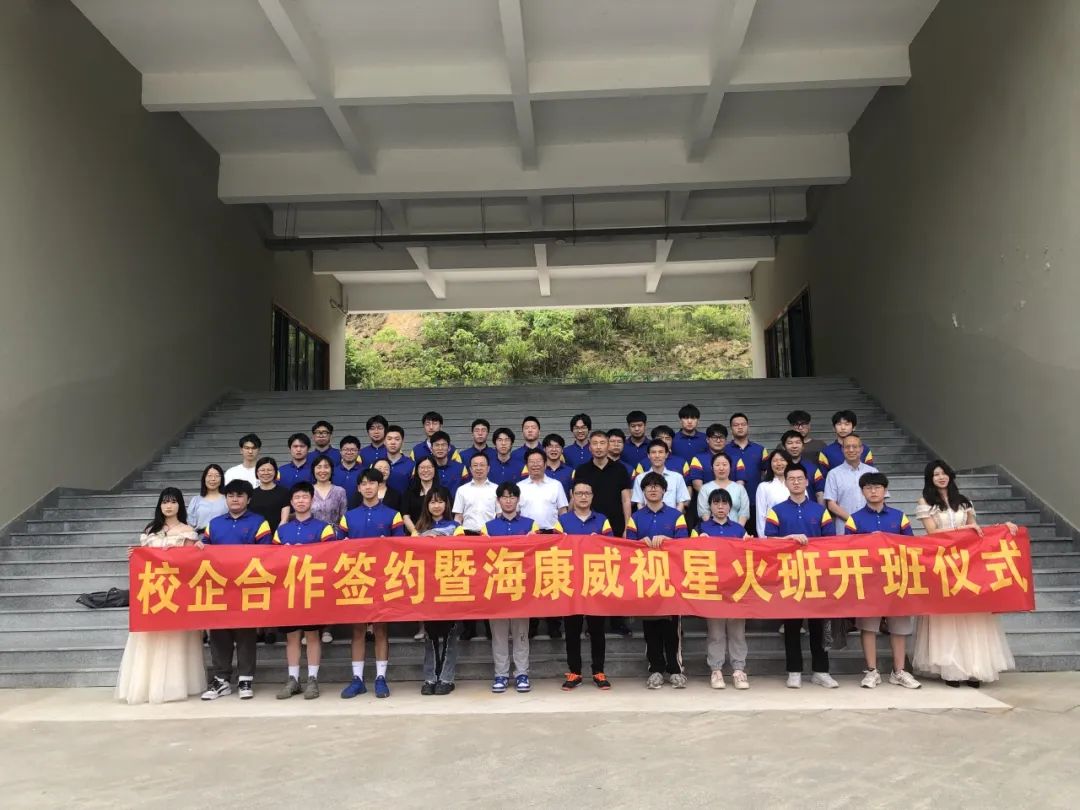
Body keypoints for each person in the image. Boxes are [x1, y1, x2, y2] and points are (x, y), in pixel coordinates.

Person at [913, 460, 1018, 686]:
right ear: (929, 478)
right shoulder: (925, 502)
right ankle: (951, 669)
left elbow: (976, 530)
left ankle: (974, 668)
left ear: (950, 475)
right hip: (943, 563)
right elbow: (932, 533)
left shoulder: (964, 501)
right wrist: (963, 529)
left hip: (968, 563)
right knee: (947, 615)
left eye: (944, 473)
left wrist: (1002, 527)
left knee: (971, 614)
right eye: (936, 474)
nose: (941, 477)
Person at [115, 488, 204, 704]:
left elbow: (191, 564)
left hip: (177, 592)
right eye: (165, 502)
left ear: (180, 505)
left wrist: (198, 549)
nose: (168, 506)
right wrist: (134, 554)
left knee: (175, 638)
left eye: (173, 502)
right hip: (153, 591)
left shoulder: (187, 531)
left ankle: (174, 687)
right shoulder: (150, 530)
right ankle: (146, 686)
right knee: (149, 638)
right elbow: (144, 561)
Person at [844, 473, 922, 690]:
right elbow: (846, 549)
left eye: (878, 487)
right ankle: (871, 671)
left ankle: (899, 671)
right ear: (862, 491)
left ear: (885, 490)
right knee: (868, 627)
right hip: (868, 580)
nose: (873, 491)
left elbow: (911, 546)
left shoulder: (899, 517)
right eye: (868, 487)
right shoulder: (854, 519)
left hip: (896, 578)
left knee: (899, 627)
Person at [763, 464, 837, 689]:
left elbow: (831, 542)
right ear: (785, 482)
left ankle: (821, 671)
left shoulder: (820, 510)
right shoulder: (776, 511)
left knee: (818, 625)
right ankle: (794, 670)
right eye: (791, 479)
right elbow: (768, 542)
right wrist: (788, 539)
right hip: (788, 575)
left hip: (816, 575)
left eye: (800, 478)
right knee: (792, 625)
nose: (796, 482)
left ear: (807, 482)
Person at [338, 468, 406, 699]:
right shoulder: (348, 517)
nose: (368, 487)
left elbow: (401, 548)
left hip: (383, 580)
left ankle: (380, 678)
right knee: (357, 629)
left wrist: (388, 545)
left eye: (372, 483)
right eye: (364, 484)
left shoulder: (393, 515)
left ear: (380, 486)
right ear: (358, 488)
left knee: (380, 629)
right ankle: (357, 679)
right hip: (356, 579)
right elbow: (337, 549)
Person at [200, 479, 271, 700]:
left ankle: (245, 679)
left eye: (240, 495)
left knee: (245, 634)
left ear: (248, 499)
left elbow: (267, 555)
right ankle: (221, 679)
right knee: (218, 633)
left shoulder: (260, 523)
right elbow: (203, 551)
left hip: (247, 588)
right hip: (219, 588)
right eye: (230, 495)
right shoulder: (214, 524)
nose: (235, 499)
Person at [273, 482, 337, 700]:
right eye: (297, 498)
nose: (301, 501)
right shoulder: (282, 530)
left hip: (313, 589)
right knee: (292, 636)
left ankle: (312, 679)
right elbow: (271, 559)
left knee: (312, 635)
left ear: (312, 500)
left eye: (305, 497)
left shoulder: (324, 528)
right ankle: (292, 679)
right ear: (291, 502)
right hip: (288, 590)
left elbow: (331, 556)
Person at [626, 472, 689, 688]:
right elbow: (627, 548)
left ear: (664, 490)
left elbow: (685, 546)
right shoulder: (635, 518)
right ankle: (655, 669)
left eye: (657, 486)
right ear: (643, 491)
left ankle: (675, 670)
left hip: (671, 579)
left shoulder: (676, 516)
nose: (653, 489)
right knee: (650, 628)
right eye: (648, 486)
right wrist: (639, 544)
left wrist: (669, 541)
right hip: (646, 579)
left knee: (672, 629)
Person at [572, 430, 633, 638]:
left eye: (602, 443)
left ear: (608, 445)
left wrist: (627, 526)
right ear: (589, 447)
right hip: (588, 529)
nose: (598, 447)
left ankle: (617, 621)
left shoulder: (620, 469)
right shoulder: (582, 470)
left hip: (614, 528)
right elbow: (575, 499)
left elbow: (626, 499)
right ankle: (592, 622)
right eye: (595, 443)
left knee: (615, 575)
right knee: (591, 575)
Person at [553, 480, 613, 690]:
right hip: (571, 583)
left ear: (593, 496)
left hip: (595, 581)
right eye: (579, 493)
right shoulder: (562, 521)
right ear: (572, 496)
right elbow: (554, 550)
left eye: (587, 493)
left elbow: (612, 549)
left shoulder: (602, 520)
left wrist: (600, 543)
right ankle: (575, 672)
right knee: (572, 630)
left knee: (597, 630)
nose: (583, 497)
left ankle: (598, 671)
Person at [481, 482, 538, 693]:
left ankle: (522, 673)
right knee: (499, 634)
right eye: (504, 497)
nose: (508, 500)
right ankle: (501, 674)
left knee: (521, 633)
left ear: (518, 500)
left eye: (512, 497)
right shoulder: (487, 527)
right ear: (498, 500)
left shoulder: (532, 525)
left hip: (522, 587)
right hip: (496, 587)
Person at [692, 489, 751, 690]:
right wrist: (698, 542)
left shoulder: (739, 529)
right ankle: (716, 670)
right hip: (712, 588)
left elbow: (749, 556)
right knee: (715, 632)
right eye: (716, 503)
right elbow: (687, 553)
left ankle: (738, 670)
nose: (720, 507)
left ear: (730, 507)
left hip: (736, 588)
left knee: (737, 632)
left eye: (724, 503)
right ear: (709, 506)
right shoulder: (700, 528)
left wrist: (749, 544)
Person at [413, 487, 464, 695]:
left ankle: (447, 678)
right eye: (432, 502)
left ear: (447, 504)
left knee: (450, 635)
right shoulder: (418, 529)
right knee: (431, 635)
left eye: (440, 501)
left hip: (451, 586)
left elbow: (462, 553)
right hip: (427, 588)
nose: (436, 506)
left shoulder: (456, 527)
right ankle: (429, 678)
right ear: (427, 505)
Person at [518, 447, 569, 639]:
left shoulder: (556, 485)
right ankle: (532, 624)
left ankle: (554, 624)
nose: (535, 465)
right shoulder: (520, 487)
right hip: (528, 540)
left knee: (552, 581)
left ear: (545, 463)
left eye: (539, 461)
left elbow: (563, 512)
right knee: (530, 581)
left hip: (552, 539)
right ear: (526, 465)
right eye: (531, 462)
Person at [452, 452, 501, 642]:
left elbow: (499, 516)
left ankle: (490, 627)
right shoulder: (462, 490)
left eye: (482, 465)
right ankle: (469, 628)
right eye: (475, 465)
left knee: (489, 583)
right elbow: (458, 517)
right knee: (469, 584)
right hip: (468, 538)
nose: (479, 468)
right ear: (470, 468)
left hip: (489, 539)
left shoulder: (496, 489)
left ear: (488, 468)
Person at [823, 434, 879, 534]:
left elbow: (880, 500)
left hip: (871, 528)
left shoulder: (873, 472)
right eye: (847, 447)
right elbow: (831, 505)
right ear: (842, 449)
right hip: (844, 528)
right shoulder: (833, 474)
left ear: (861, 449)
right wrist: (853, 521)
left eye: (855, 446)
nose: (851, 450)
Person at [727, 412, 769, 516]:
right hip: (731, 502)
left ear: (748, 427)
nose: (740, 427)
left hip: (756, 500)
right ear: (731, 429)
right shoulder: (724, 450)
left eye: (743, 424)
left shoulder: (760, 449)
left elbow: (766, 474)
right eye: (736, 425)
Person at [631, 439, 690, 512]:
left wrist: (675, 517)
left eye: (661, 452)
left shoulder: (677, 477)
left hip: (672, 518)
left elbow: (681, 503)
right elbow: (640, 504)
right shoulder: (640, 478)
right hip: (647, 518)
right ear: (648, 455)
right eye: (653, 452)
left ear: (666, 455)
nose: (657, 456)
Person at [695, 452, 750, 527]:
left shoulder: (740, 488)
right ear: (712, 468)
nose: (721, 468)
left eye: (724, 464)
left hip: (736, 530)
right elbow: (704, 512)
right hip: (712, 531)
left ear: (730, 467)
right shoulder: (705, 488)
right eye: (717, 465)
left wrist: (738, 529)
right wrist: (713, 529)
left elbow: (744, 512)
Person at [754, 449, 795, 537]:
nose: (779, 463)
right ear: (770, 464)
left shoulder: (796, 483)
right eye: (775, 461)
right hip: (772, 534)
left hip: (795, 532)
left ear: (788, 462)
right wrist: (763, 538)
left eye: (782, 460)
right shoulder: (763, 486)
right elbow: (761, 515)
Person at [780, 430, 826, 504]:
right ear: (783, 447)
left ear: (803, 446)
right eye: (790, 443)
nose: (794, 446)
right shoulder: (779, 468)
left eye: (798, 442)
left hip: (809, 510)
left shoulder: (813, 468)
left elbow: (820, 493)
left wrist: (822, 510)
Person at [250, 456, 291, 532]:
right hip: (254, 535)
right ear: (257, 472)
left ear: (275, 472)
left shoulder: (284, 492)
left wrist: (277, 535)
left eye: (269, 470)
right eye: (262, 470)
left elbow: (284, 520)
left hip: (277, 535)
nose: (266, 473)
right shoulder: (250, 493)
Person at [687, 423, 728, 494]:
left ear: (726, 440)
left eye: (721, 437)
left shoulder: (735, 458)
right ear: (708, 440)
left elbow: (740, 482)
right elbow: (697, 484)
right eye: (714, 437)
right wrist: (713, 498)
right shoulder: (698, 459)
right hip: (706, 498)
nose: (718, 441)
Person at [402, 455, 438, 534]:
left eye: (429, 467)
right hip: (415, 536)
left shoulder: (442, 491)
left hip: (438, 535)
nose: (426, 470)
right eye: (422, 467)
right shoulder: (409, 493)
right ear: (417, 470)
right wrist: (416, 533)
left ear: (435, 469)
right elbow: (405, 516)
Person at [187, 463, 228, 532]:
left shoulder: (227, 499)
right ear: (204, 478)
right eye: (209, 476)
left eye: (217, 476)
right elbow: (190, 524)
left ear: (222, 479)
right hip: (201, 537)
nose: (213, 479)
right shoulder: (196, 500)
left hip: (222, 535)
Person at [310, 454, 348, 525]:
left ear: (331, 470)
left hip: (334, 531)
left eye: (326, 467)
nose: (322, 470)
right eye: (319, 467)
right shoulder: (308, 491)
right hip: (311, 531)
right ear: (313, 470)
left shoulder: (340, 491)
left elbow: (343, 518)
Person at [430, 431, 468, 499]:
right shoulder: (427, 469)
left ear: (449, 448)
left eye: (443, 445)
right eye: (437, 445)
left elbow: (467, 491)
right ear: (431, 449)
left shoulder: (461, 468)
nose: (440, 448)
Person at [383, 424, 415, 495]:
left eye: (397, 439)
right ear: (384, 441)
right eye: (389, 439)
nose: (393, 442)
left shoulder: (411, 465)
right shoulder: (377, 464)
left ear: (402, 442)